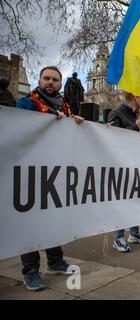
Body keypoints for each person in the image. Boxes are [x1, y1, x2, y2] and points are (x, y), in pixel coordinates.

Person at [16, 66, 84, 291]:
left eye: (55, 80)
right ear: (39, 79)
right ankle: (31, 270)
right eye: (47, 78)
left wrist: (76, 125)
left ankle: (55, 261)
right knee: (30, 223)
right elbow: (19, 130)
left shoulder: (64, 106)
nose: (50, 82)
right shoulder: (27, 103)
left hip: (56, 172)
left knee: (53, 218)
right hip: (31, 171)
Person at [108, 92, 140, 252]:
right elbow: (114, 138)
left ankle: (134, 233)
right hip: (121, 165)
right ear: (134, 97)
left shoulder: (136, 114)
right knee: (122, 201)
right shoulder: (116, 113)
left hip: (135, 164)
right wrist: (136, 127)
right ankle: (119, 237)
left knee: (135, 199)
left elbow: (139, 135)